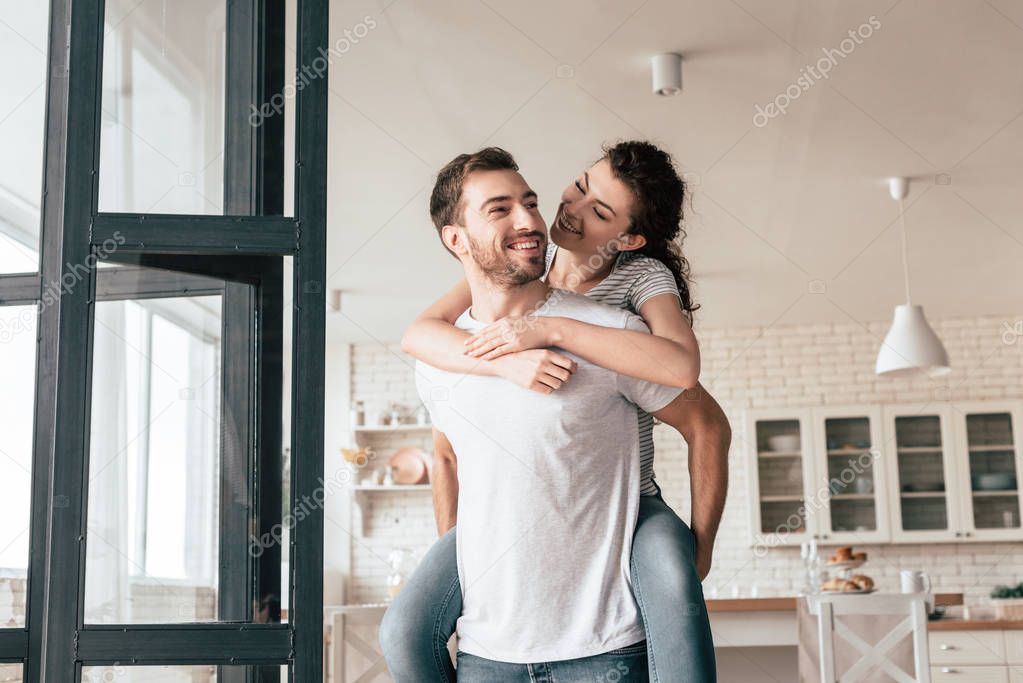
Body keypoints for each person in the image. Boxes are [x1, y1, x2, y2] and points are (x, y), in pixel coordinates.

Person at [381, 144, 730, 682]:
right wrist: (504, 363)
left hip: (630, 509)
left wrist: (552, 330)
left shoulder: (631, 298)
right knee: (401, 630)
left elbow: (688, 381)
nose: (563, 211)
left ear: (628, 237)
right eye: (580, 187)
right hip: (493, 640)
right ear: (457, 239)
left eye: (600, 212)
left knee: (676, 585)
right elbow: (429, 376)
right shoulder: (466, 327)